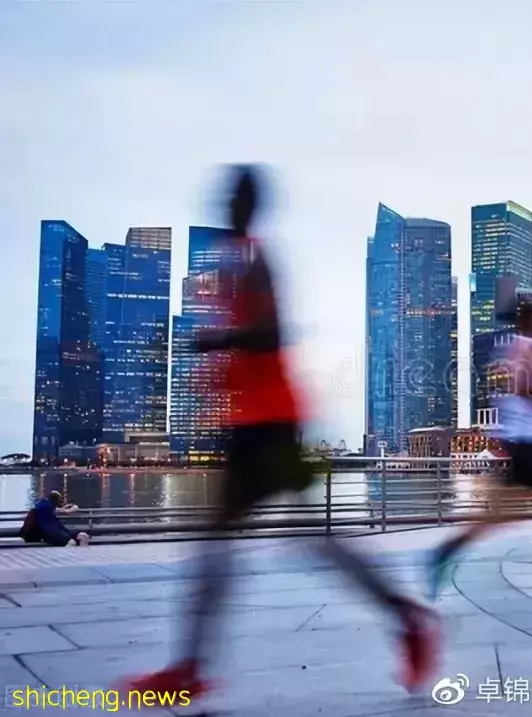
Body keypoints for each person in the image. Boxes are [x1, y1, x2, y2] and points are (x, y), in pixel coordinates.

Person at [121, 166, 439, 700]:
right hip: (254, 422)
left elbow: (270, 332)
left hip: (267, 424)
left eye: (236, 197)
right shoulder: (236, 262)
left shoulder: (254, 261)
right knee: (290, 540)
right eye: (226, 197)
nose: (227, 205)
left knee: (255, 542)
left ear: (249, 204)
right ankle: (407, 618)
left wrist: (219, 340)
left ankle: (192, 667)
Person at [426, 299, 532, 601]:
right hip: (531, 442)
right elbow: (523, 387)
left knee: (500, 513)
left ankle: (448, 549)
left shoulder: (508, 349)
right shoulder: (531, 349)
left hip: (520, 441)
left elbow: (512, 391)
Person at [20, 491, 89, 546]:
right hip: (52, 534)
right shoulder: (47, 507)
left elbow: (56, 510)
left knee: (82, 536)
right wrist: (75, 507)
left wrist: (63, 508)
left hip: (54, 533)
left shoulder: (43, 505)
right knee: (74, 541)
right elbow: (68, 511)